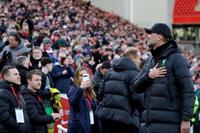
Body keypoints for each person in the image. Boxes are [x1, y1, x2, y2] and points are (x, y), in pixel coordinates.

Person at [134, 23, 195, 133]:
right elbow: (135, 87)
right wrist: (148, 76)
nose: (147, 36)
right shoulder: (150, 60)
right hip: (148, 125)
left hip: (169, 124)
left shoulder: (177, 59)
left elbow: (188, 91)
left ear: (159, 36)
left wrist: (186, 119)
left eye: (150, 33)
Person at [96, 47, 143, 133]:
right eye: (139, 58)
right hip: (125, 121)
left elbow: (100, 95)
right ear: (133, 58)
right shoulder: (133, 74)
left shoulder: (109, 72)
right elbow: (138, 99)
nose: (140, 61)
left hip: (107, 118)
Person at [67, 67, 101, 133]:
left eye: (85, 75)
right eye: (80, 75)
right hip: (78, 127)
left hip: (90, 124)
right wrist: (81, 88)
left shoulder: (89, 90)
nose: (83, 77)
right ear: (77, 78)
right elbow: (73, 103)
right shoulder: (73, 89)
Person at [0, 66, 30, 133]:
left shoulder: (17, 92)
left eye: (18, 74)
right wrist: (18, 127)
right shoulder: (2, 93)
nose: (19, 76)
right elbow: (3, 116)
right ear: (6, 77)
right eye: (15, 74)